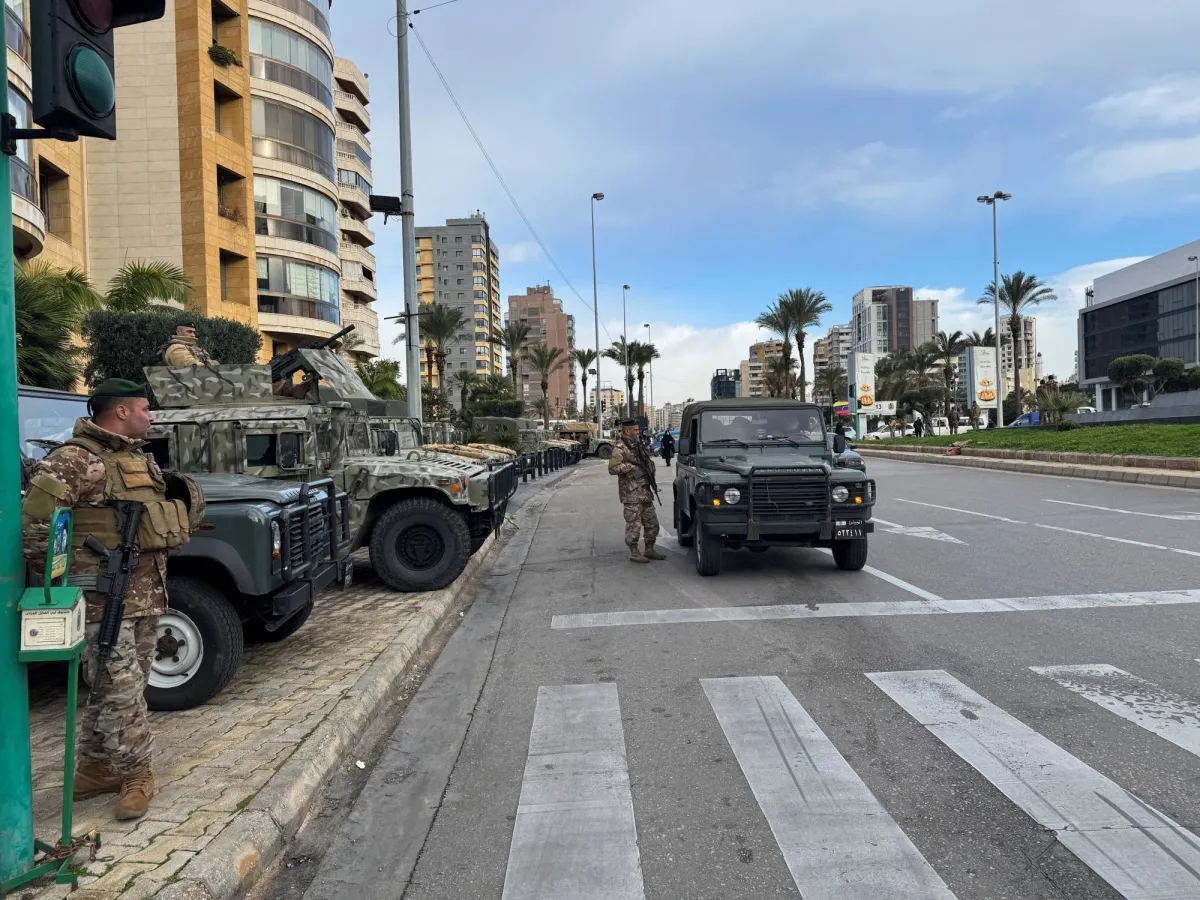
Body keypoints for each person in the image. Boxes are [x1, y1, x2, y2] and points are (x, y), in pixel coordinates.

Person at [21, 379, 205, 821]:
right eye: (145, 408)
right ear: (121, 412)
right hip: (105, 600)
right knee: (120, 692)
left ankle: (96, 766)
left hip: (145, 595)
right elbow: (34, 529)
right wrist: (79, 575)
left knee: (115, 687)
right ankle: (137, 773)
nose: (151, 416)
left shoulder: (135, 460)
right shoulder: (72, 461)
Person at [608, 418, 664, 563]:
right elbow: (613, 468)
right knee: (634, 526)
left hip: (645, 492)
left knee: (652, 523)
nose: (638, 432)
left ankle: (649, 549)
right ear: (627, 430)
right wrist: (631, 468)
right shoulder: (620, 447)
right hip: (631, 494)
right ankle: (634, 552)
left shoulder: (638, 445)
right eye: (635, 430)